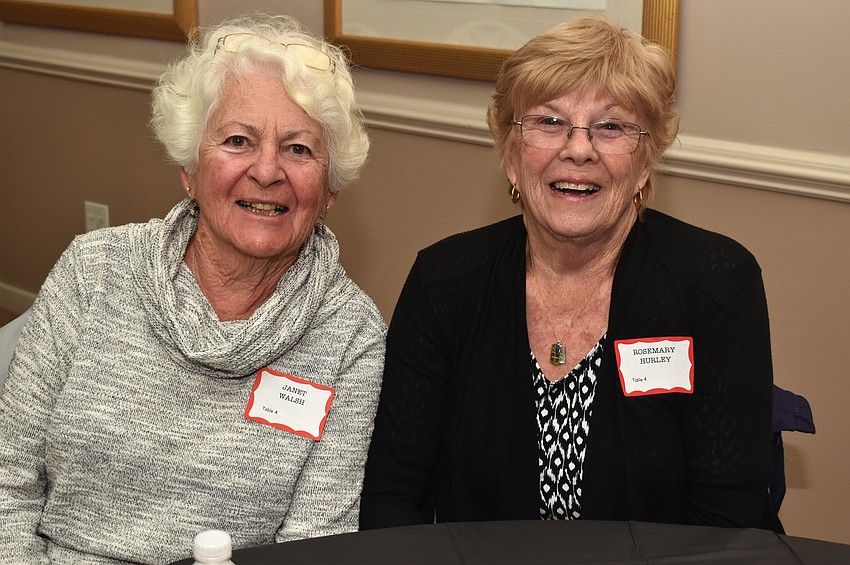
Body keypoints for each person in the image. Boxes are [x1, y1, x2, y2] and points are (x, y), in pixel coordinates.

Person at [360, 15, 782, 533]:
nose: (578, 149)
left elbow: (727, 525)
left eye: (610, 126)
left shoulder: (716, 285)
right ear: (511, 153)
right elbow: (391, 498)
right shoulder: (444, 283)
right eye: (548, 121)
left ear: (645, 162)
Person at [0, 14, 385, 564]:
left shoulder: (350, 335)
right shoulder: (94, 272)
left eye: (299, 149)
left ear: (330, 191)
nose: (268, 170)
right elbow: (6, 478)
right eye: (237, 140)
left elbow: (314, 544)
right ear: (189, 168)